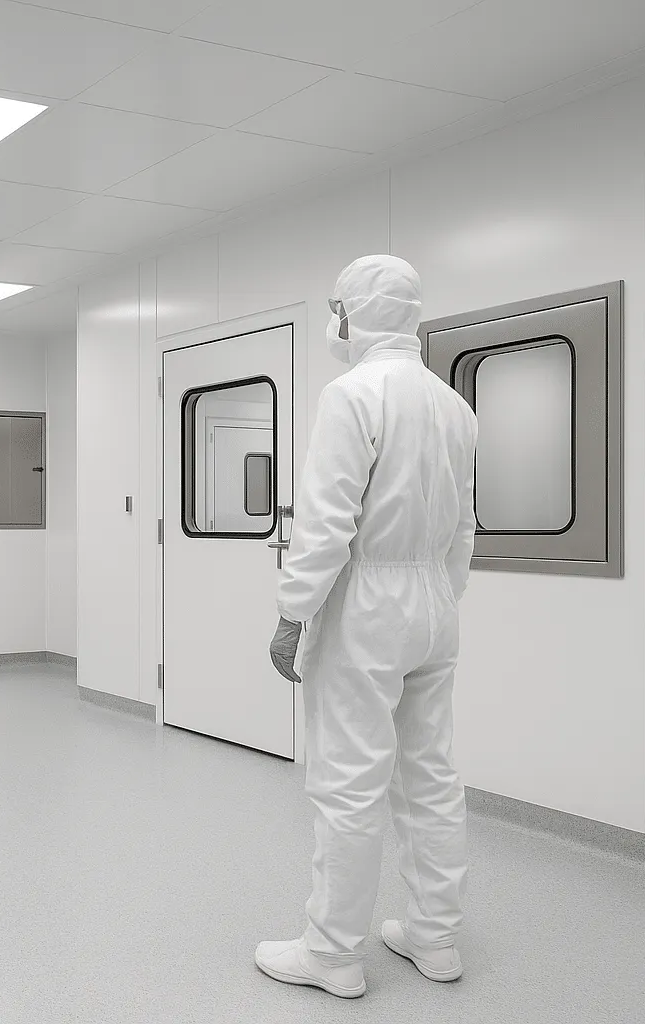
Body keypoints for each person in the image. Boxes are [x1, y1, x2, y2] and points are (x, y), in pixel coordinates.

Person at [254, 255, 479, 999]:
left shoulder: (352, 394)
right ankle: (436, 937)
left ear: (355, 312)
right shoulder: (453, 405)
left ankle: (332, 955)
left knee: (349, 784)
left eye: (336, 308)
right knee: (430, 777)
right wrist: (436, 603)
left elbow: (325, 523)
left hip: (367, 605)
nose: (334, 322)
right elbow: (462, 533)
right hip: (433, 607)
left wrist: (294, 613)